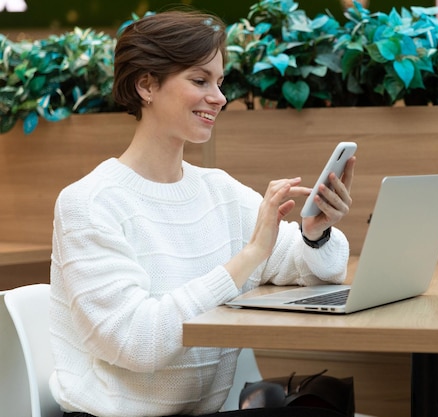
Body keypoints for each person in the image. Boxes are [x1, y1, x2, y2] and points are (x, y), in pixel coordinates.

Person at [48, 9, 356, 417]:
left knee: (329, 402)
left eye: (220, 82)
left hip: (204, 411)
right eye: (200, 80)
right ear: (146, 85)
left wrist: (314, 234)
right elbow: (136, 341)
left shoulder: (218, 190)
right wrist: (248, 257)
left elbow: (311, 269)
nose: (219, 97)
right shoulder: (88, 203)